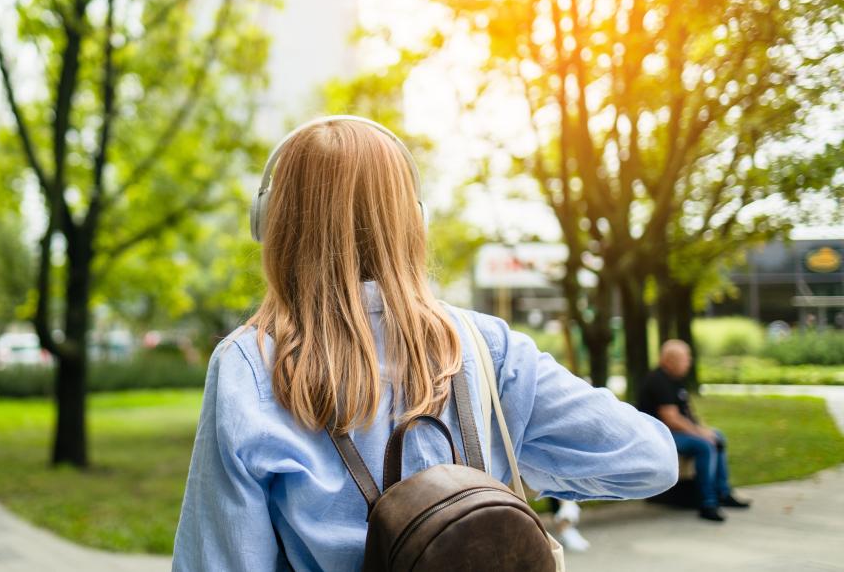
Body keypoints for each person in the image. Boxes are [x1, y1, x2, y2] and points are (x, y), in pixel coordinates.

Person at [172, 116, 679, 570]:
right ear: (414, 222)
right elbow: (653, 459)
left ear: (271, 224)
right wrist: (506, 472)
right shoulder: (487, 346)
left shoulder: (249, 365)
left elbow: (220, 559)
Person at [637, 340, 750, 522]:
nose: (689, 362)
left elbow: (687, 413)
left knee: (717, 436)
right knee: (704, 446)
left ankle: (723, 492)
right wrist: (699, 433)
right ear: (669, 360)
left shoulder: (675, 381)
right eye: (684, 359)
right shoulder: (658, 381)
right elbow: (671, 418)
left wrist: (703, 429)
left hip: (675, 432)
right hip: (660, 436)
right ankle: (707, 502)